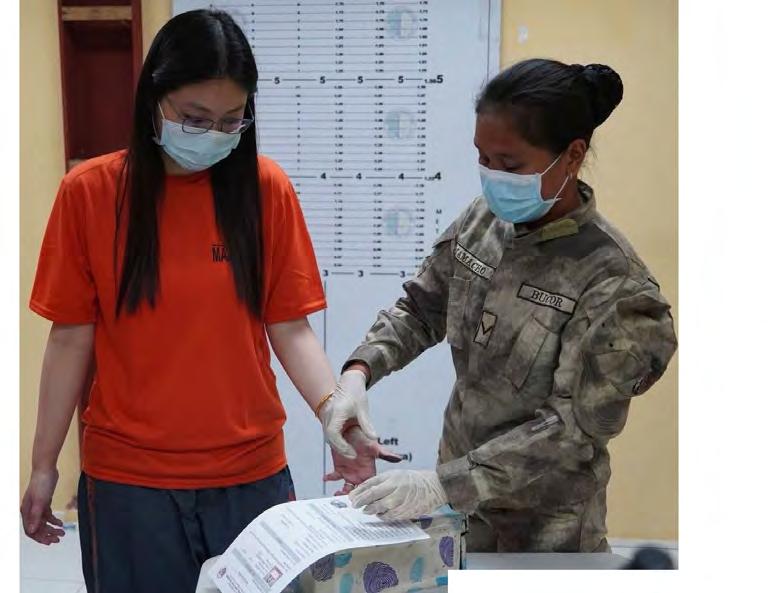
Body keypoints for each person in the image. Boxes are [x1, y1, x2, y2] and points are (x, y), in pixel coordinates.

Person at [20, 10, 392, 592]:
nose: (213, 135)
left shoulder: (264, 190)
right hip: (129, 483)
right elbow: (70, 339)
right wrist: (43, 465)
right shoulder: (89, 194)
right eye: (194, 119)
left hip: (250, 476)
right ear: (153, 99)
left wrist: (332, 409)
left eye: (230, 120)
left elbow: (289, 327)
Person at [322, 59, 678, 552]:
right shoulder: (483, 221)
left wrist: (443, 485)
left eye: (510, 166)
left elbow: (570, 431)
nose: (493, 178)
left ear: (572, 156)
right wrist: (358, 374)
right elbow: (421, 309)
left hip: (546, 535)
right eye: (483, 159)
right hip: (460, 517)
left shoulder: (613, 281)